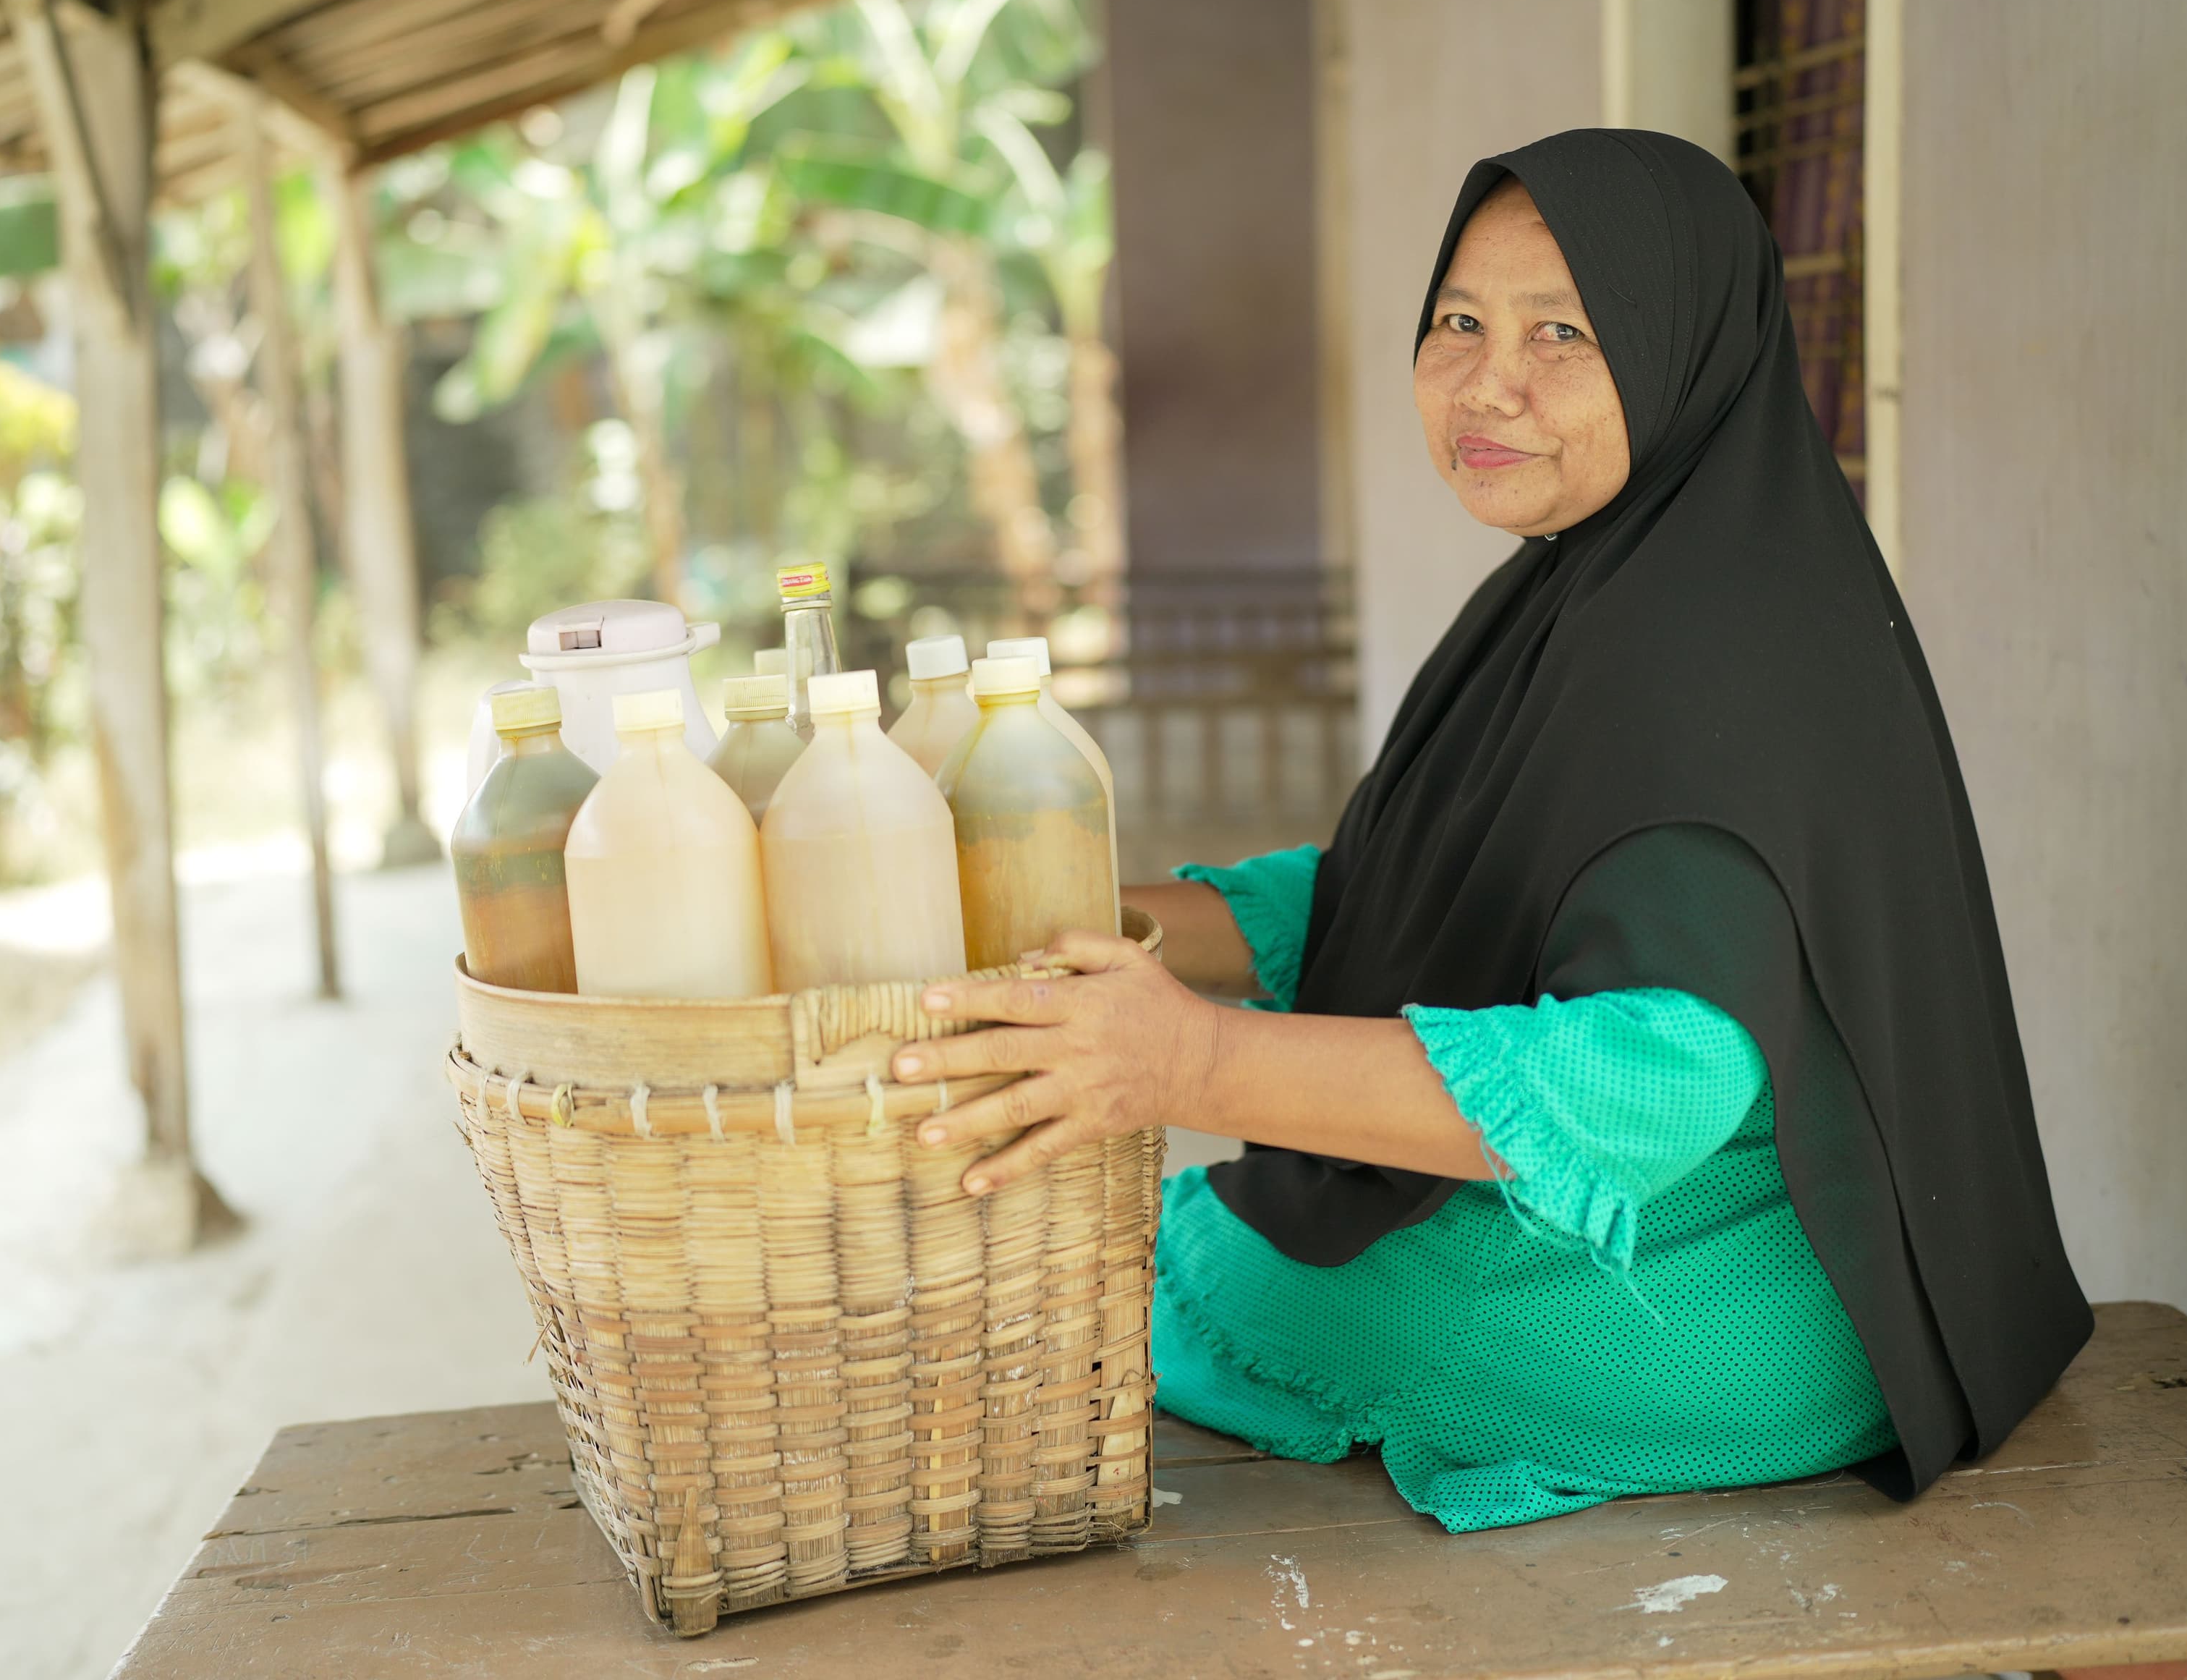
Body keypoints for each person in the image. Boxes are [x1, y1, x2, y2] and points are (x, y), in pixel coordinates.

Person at [889, 130, 2092, 1530]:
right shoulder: (1587, 593)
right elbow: (1421, 894)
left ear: (1683, 351)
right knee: (1183, 1239)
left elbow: (1655, 1085)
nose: (1489, 383)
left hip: (1733, 1309)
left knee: (1196, 1263)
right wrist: (1098, 926)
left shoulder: (1729, 661)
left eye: (1563, 335)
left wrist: (1190, 1062)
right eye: (1460, 321)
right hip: (1698, 1245)